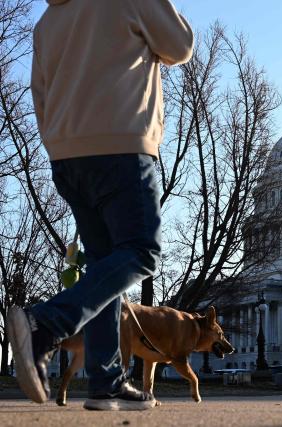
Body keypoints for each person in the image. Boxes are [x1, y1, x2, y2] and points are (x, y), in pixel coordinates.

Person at [7, 0, 193, 411]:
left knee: (105, 265)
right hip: (123, 145)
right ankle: (45, 324)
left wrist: (59, 142)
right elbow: (180, 46)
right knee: (142, 252)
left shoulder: (48, 20)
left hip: (67, 154)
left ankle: (106, 380)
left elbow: (39, 92)